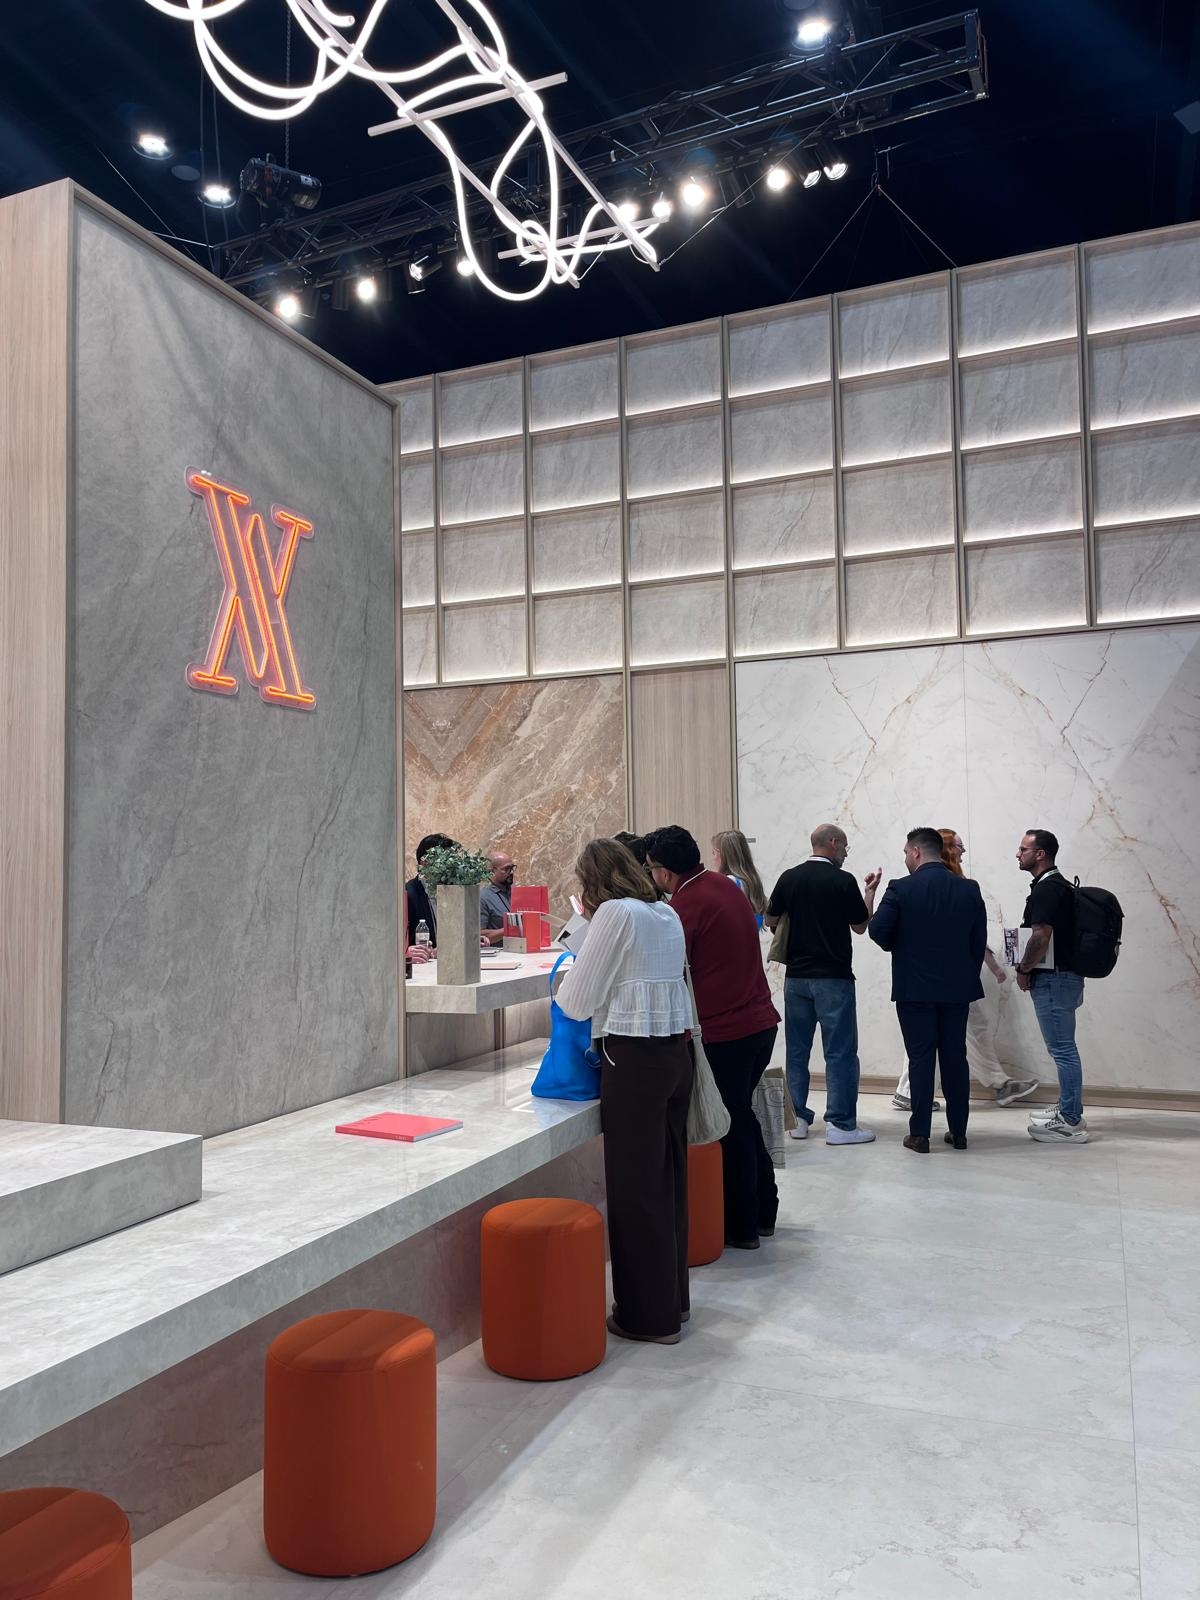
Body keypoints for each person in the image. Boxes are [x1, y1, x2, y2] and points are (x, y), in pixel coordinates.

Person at [555, 838, 694, 1344]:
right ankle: (673, 1304)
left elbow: (576, 1001)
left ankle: (647, 1317)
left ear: (594, 880)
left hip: (633, 1058)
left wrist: (576, 956)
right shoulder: (665, 911)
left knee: (636, 1191)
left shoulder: (615, 913)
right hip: (676, 1056)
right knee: (668, 1182)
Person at [644, 826, 781, 1250]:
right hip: (758, 1023)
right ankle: (763, 1211)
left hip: (728, 1031)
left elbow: (669, 967)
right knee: (741, 1116)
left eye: (650, 870)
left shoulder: (686, 905)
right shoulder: (724, 886)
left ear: (665, 873)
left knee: (729, 1123)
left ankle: (743, 1224)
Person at [892, 829, 1039, 1111]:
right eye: (959, 845)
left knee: (957, 1032)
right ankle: (910, 1092)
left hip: (943, 978)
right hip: (944, 978)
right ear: (946, 848)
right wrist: (991, 966)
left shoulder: (947, 885)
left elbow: (968, 934)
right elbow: (966, 934)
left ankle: (998, 1083)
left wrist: (992, 966)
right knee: (929, 1038)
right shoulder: (949, 886)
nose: (963, 851)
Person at [868, 827, 987, 1153]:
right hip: (957, 990)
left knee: (920, 1059)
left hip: (914, 990)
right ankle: (959, 1132)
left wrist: (896, 941)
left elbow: (878, 932)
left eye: (906, 853)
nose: (905, 858)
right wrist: (964, 976)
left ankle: (919, 1134)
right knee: (955, 1057)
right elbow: (977, 942)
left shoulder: (901, 888)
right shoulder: (969, 889)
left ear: (916, 851)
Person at [765, 824, 881, 1146]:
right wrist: (869, 894)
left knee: (797, 1051)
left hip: (796, 979)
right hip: (834, 978)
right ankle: (840, 1126)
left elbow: (770, 919)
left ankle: (798, 1121)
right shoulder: (843, 881)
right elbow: (860, 926)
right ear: (833, 843)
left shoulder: (789, 877)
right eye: (844, 846)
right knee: (840, 1053)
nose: (845, 852)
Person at [1016, 829, 1090, 1144]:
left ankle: (1070, 1121)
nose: (1018, 854)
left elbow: (1041, 937)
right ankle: (1066, 1107)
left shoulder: (1047, 889)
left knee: (1062, 1049)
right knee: (1062, 1047)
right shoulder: (1059, 886)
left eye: (1023, 849)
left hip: (1054, 979)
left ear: (1040, 854)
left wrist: (1023, 968)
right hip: (1065, 977)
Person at [404, 832, 458, 962]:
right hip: (420, 967)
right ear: (425, 863)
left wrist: (470, 939)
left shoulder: (451, 891)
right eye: (446, 862)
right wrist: (404, 952)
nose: (451, 868)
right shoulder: (407, 895)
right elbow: (390, 941)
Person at [711, 829, 768, 929]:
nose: (713, 858)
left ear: (723, 855)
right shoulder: (752, 880)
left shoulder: (729, 882)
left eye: (713, 853)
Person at [479, 851, 514, 946]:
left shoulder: (516, 893)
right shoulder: (483, 898)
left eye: (512, 868)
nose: (511, 872)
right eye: (506, 869)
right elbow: (478, 935)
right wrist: (510, 929)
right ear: (492, 871)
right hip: (499, 953)